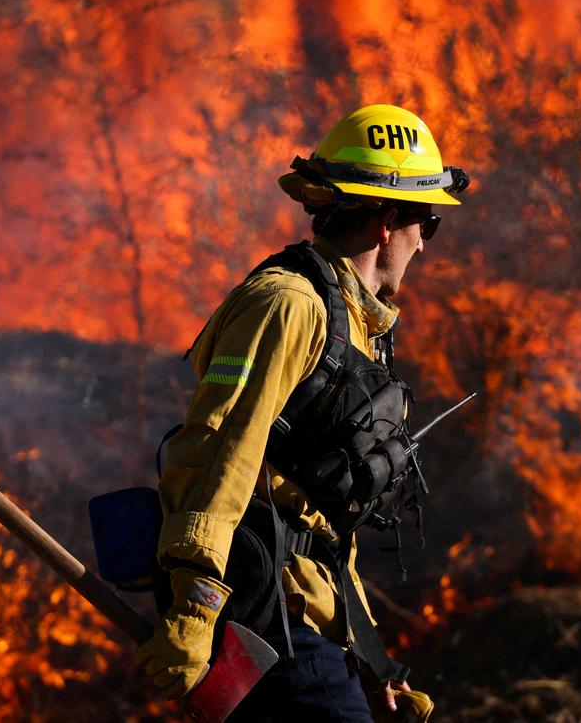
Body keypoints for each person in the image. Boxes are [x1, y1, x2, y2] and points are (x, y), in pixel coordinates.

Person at [135, 104, 470, 722]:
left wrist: (371, 663)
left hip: (309, 619)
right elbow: (216, 457)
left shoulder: (355, 324)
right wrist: (193, 610)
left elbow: (320, 523)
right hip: (263, 623)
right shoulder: (288, 306)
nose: (425, 241)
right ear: (386, 221)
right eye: (426, 221)